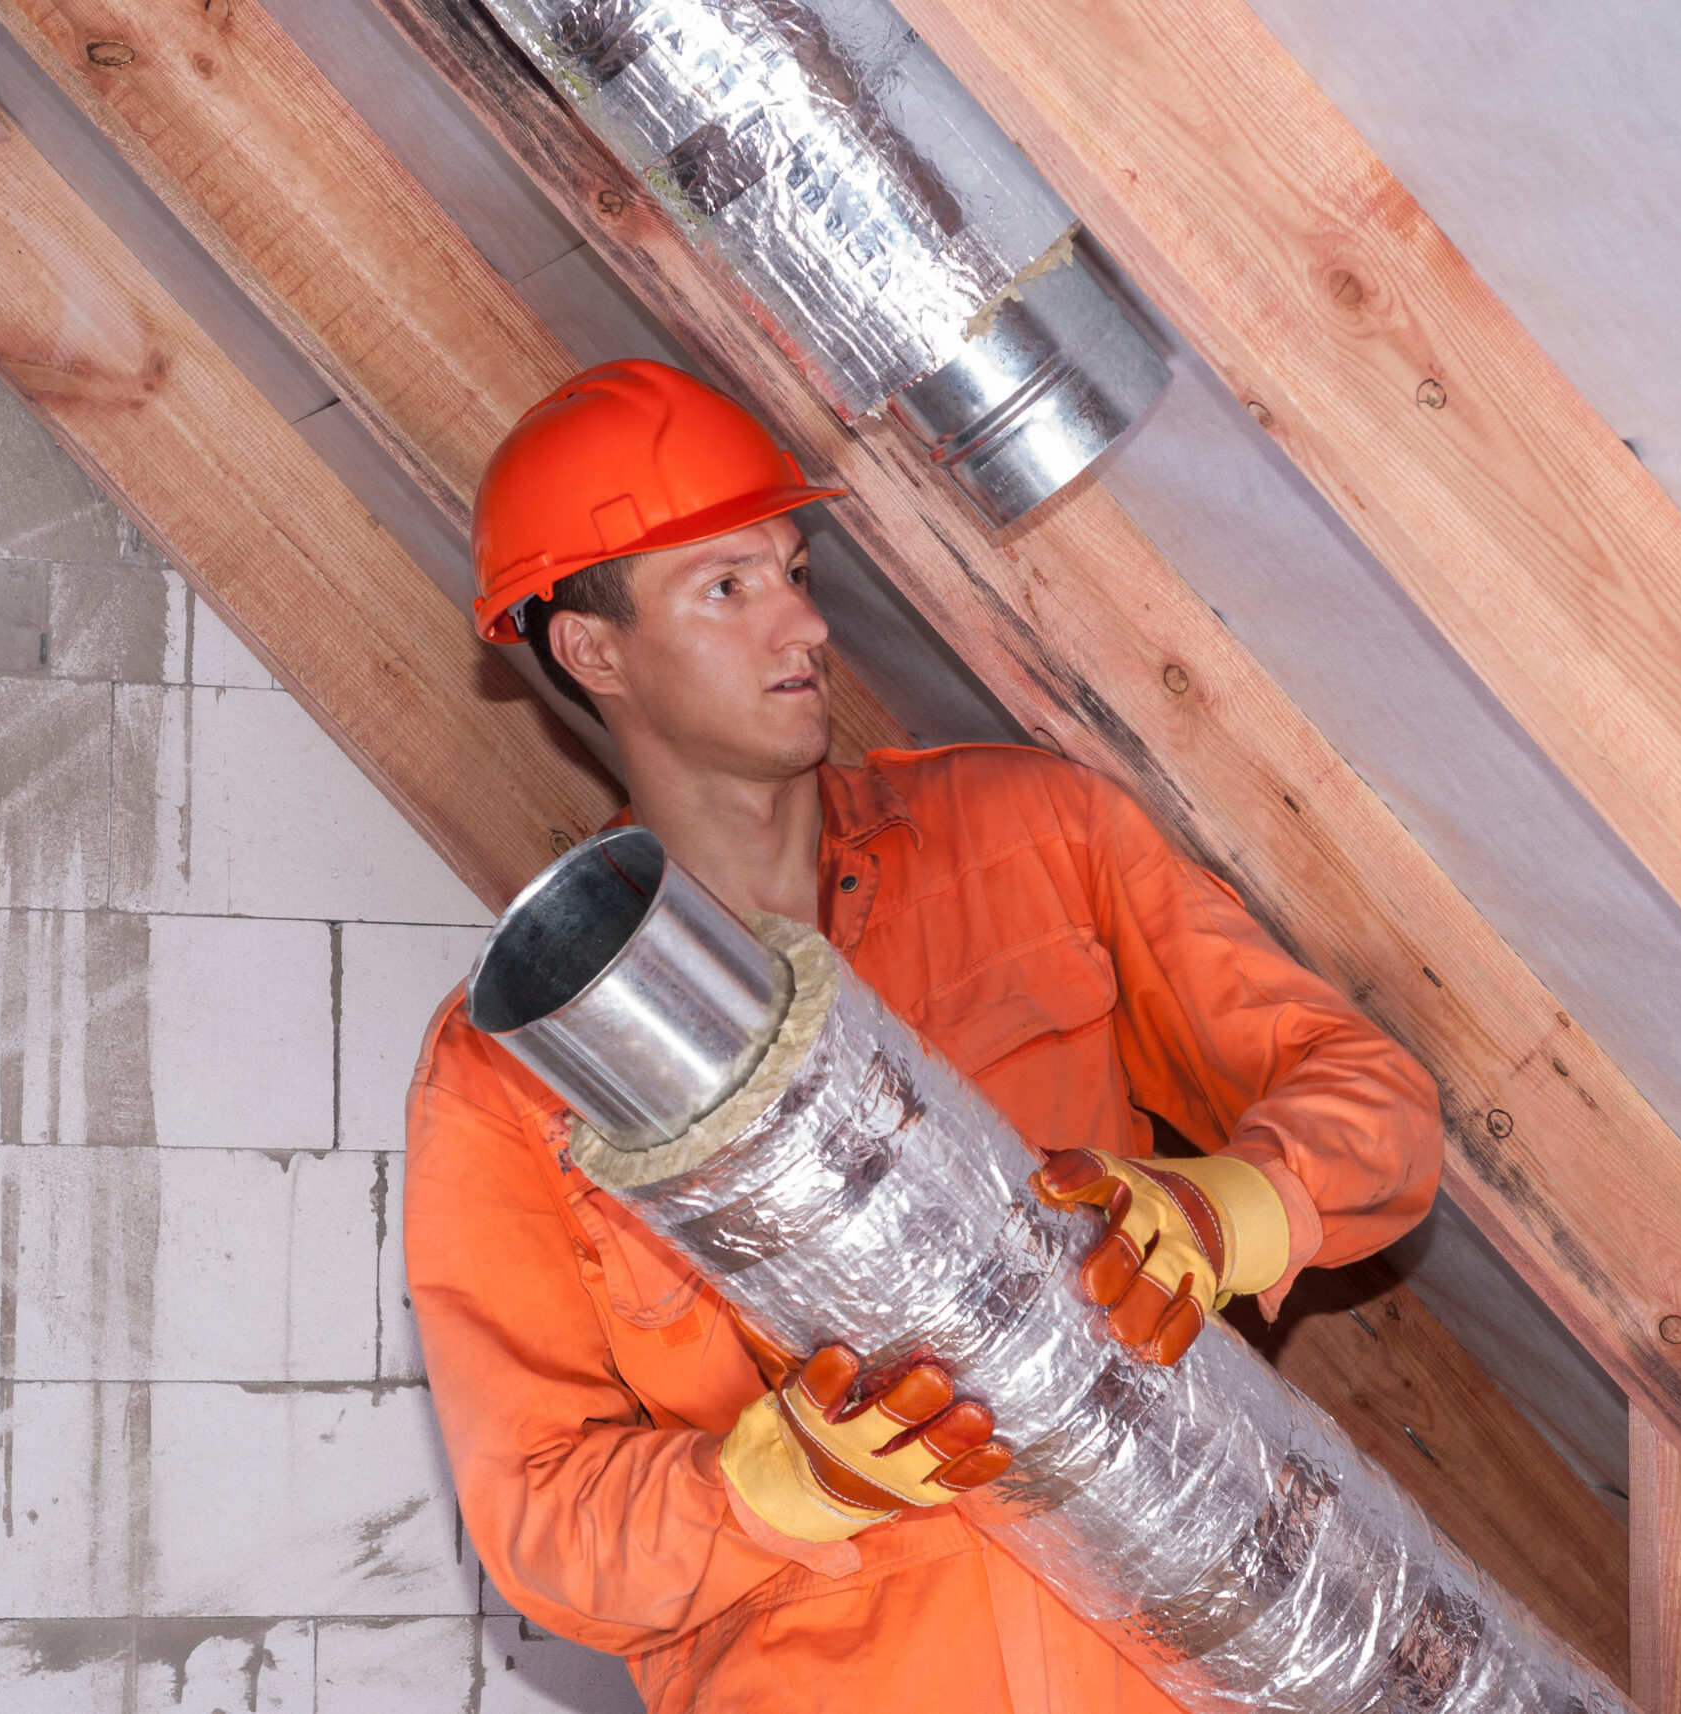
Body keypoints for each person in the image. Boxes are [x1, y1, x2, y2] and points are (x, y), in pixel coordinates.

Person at [404, 360, 1445, 1714]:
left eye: (791, 568)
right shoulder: (514, 1067)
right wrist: (779, 1480)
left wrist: (1219, 1215)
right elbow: (544, 1523)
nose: (806, 622)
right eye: (727, 587)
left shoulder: (1036, 838)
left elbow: (1377, 1103)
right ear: (593, 652)